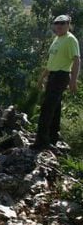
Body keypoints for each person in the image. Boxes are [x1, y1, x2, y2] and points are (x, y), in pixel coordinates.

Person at [32, 15, 81, 150]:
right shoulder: (57, 39)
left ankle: (41, 142)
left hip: (61, 75)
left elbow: (76, 60)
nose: (59, 26)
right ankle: (53, 137)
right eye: (56, 23)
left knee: (47, 108)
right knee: (55, 108)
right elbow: (51, 62)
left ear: (68, 24)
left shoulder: (70, 40)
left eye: (62, 23)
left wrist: (73, 80)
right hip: (53, 75)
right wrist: (42, 78)